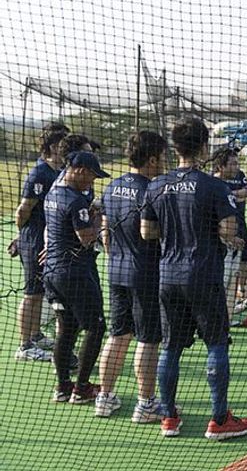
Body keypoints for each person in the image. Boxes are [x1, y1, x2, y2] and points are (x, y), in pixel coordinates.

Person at [141, 117, 247, 440]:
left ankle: (169, 417)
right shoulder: (214, 186)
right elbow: (229, 230)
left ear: (175, 147)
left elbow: (147, 231)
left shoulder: (156, 185)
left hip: (168, 276)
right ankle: (219, 419)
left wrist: (176, 230)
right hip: (204, 274)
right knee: (216, 343)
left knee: (170, 347)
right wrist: (210, 231)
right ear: (204, 147)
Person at [96, 131, 168, 421]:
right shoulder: (153, 190)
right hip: (145, 273)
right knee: (148, 339)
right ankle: (146, 404)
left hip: (116, 271)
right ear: (151, 159)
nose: (165, 161)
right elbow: (150, 232)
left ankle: (104, 398)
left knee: (118, 335)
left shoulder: (112, 186)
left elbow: (104, 232)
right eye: (162, 156)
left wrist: (116, 256)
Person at [42, 151, 110, 404]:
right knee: (95, 327)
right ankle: (81, 389)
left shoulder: (53, 193)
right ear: (80, 170)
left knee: (67, 327)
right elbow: (87, 239)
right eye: (92, 176)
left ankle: (63, 386)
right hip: (75, 274)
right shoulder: (75, 200)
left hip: (52, 272)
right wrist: (99, 219)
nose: (92, 182)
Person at [13, 123, 68, 362]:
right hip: (35, 241)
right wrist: (24, 237)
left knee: (41, 292)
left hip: (48, 240)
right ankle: (24, 346)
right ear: (54, 147)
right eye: (63, 143)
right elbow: (23, 210)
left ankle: (35, 335)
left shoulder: (59, 170)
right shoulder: (40, 173)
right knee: (32, 294)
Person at [211, 147, 247, 323]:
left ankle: (228, 317)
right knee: (221, 275)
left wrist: (232, 193)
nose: (237, 167)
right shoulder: (212, 183)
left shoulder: (239, 176)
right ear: (221, 166)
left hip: (239, 228)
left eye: (237, 163)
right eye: (232, 164)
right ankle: (216, 315)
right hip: (220, 236)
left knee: (235, 272)